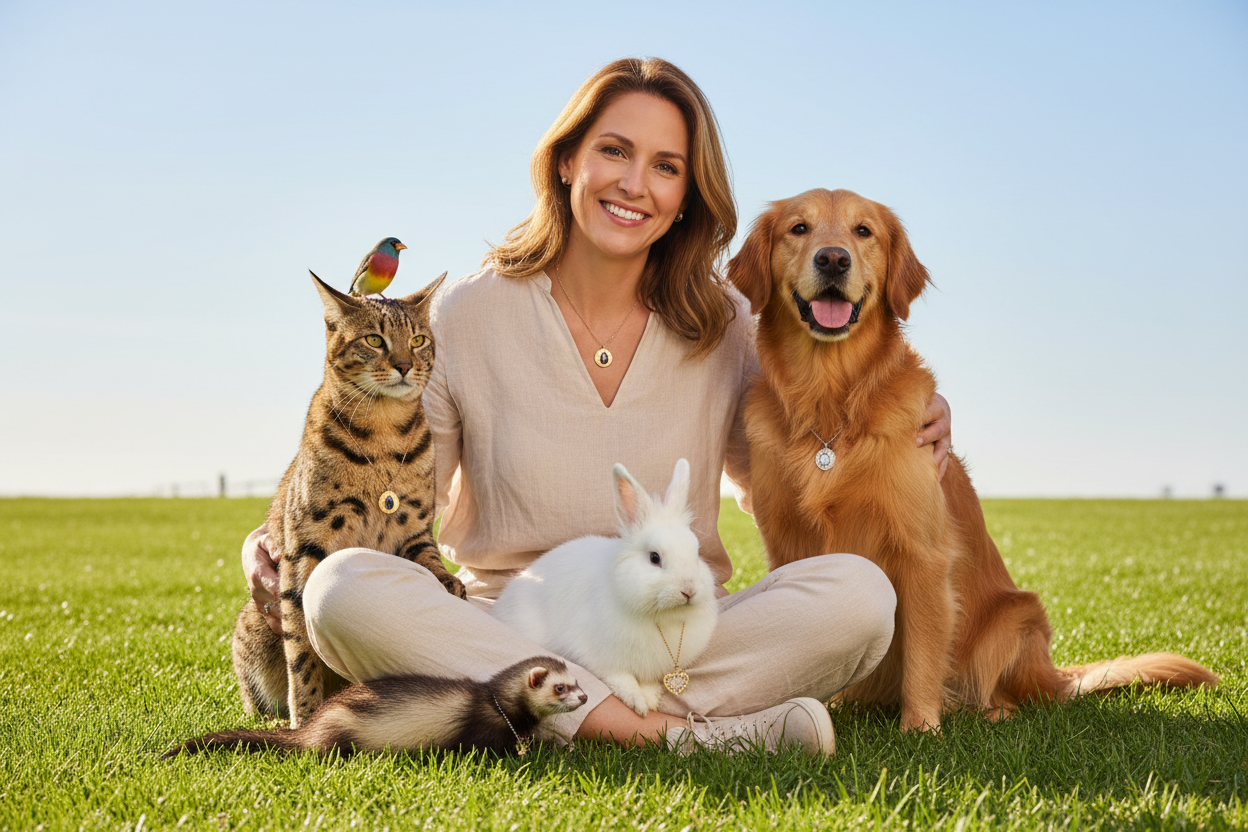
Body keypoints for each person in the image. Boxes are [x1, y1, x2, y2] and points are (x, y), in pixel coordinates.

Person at [241, 57, 952, 755]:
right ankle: (680, 736)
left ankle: (528, 716)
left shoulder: (728, 320)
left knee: (859, 596)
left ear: (686, 196)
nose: (636, 185)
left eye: (667, 166)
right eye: (614, 151)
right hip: (508, 627)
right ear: (566, 162)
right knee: (342, 589)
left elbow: (803, 448)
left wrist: (909, 407)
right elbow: (394, 489)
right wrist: (274, 538)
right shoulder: (464, 315)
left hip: (672, 633)